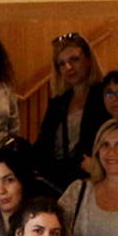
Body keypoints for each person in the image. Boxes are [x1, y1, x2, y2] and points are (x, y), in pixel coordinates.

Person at [34, 32, 108, 190]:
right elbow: (43, 143)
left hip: (89, 176)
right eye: (62, 64)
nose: (68, 67)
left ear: (89, 60)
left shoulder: (103, 97)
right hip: (55, 177)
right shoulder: (58, 101)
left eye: (74, 59)